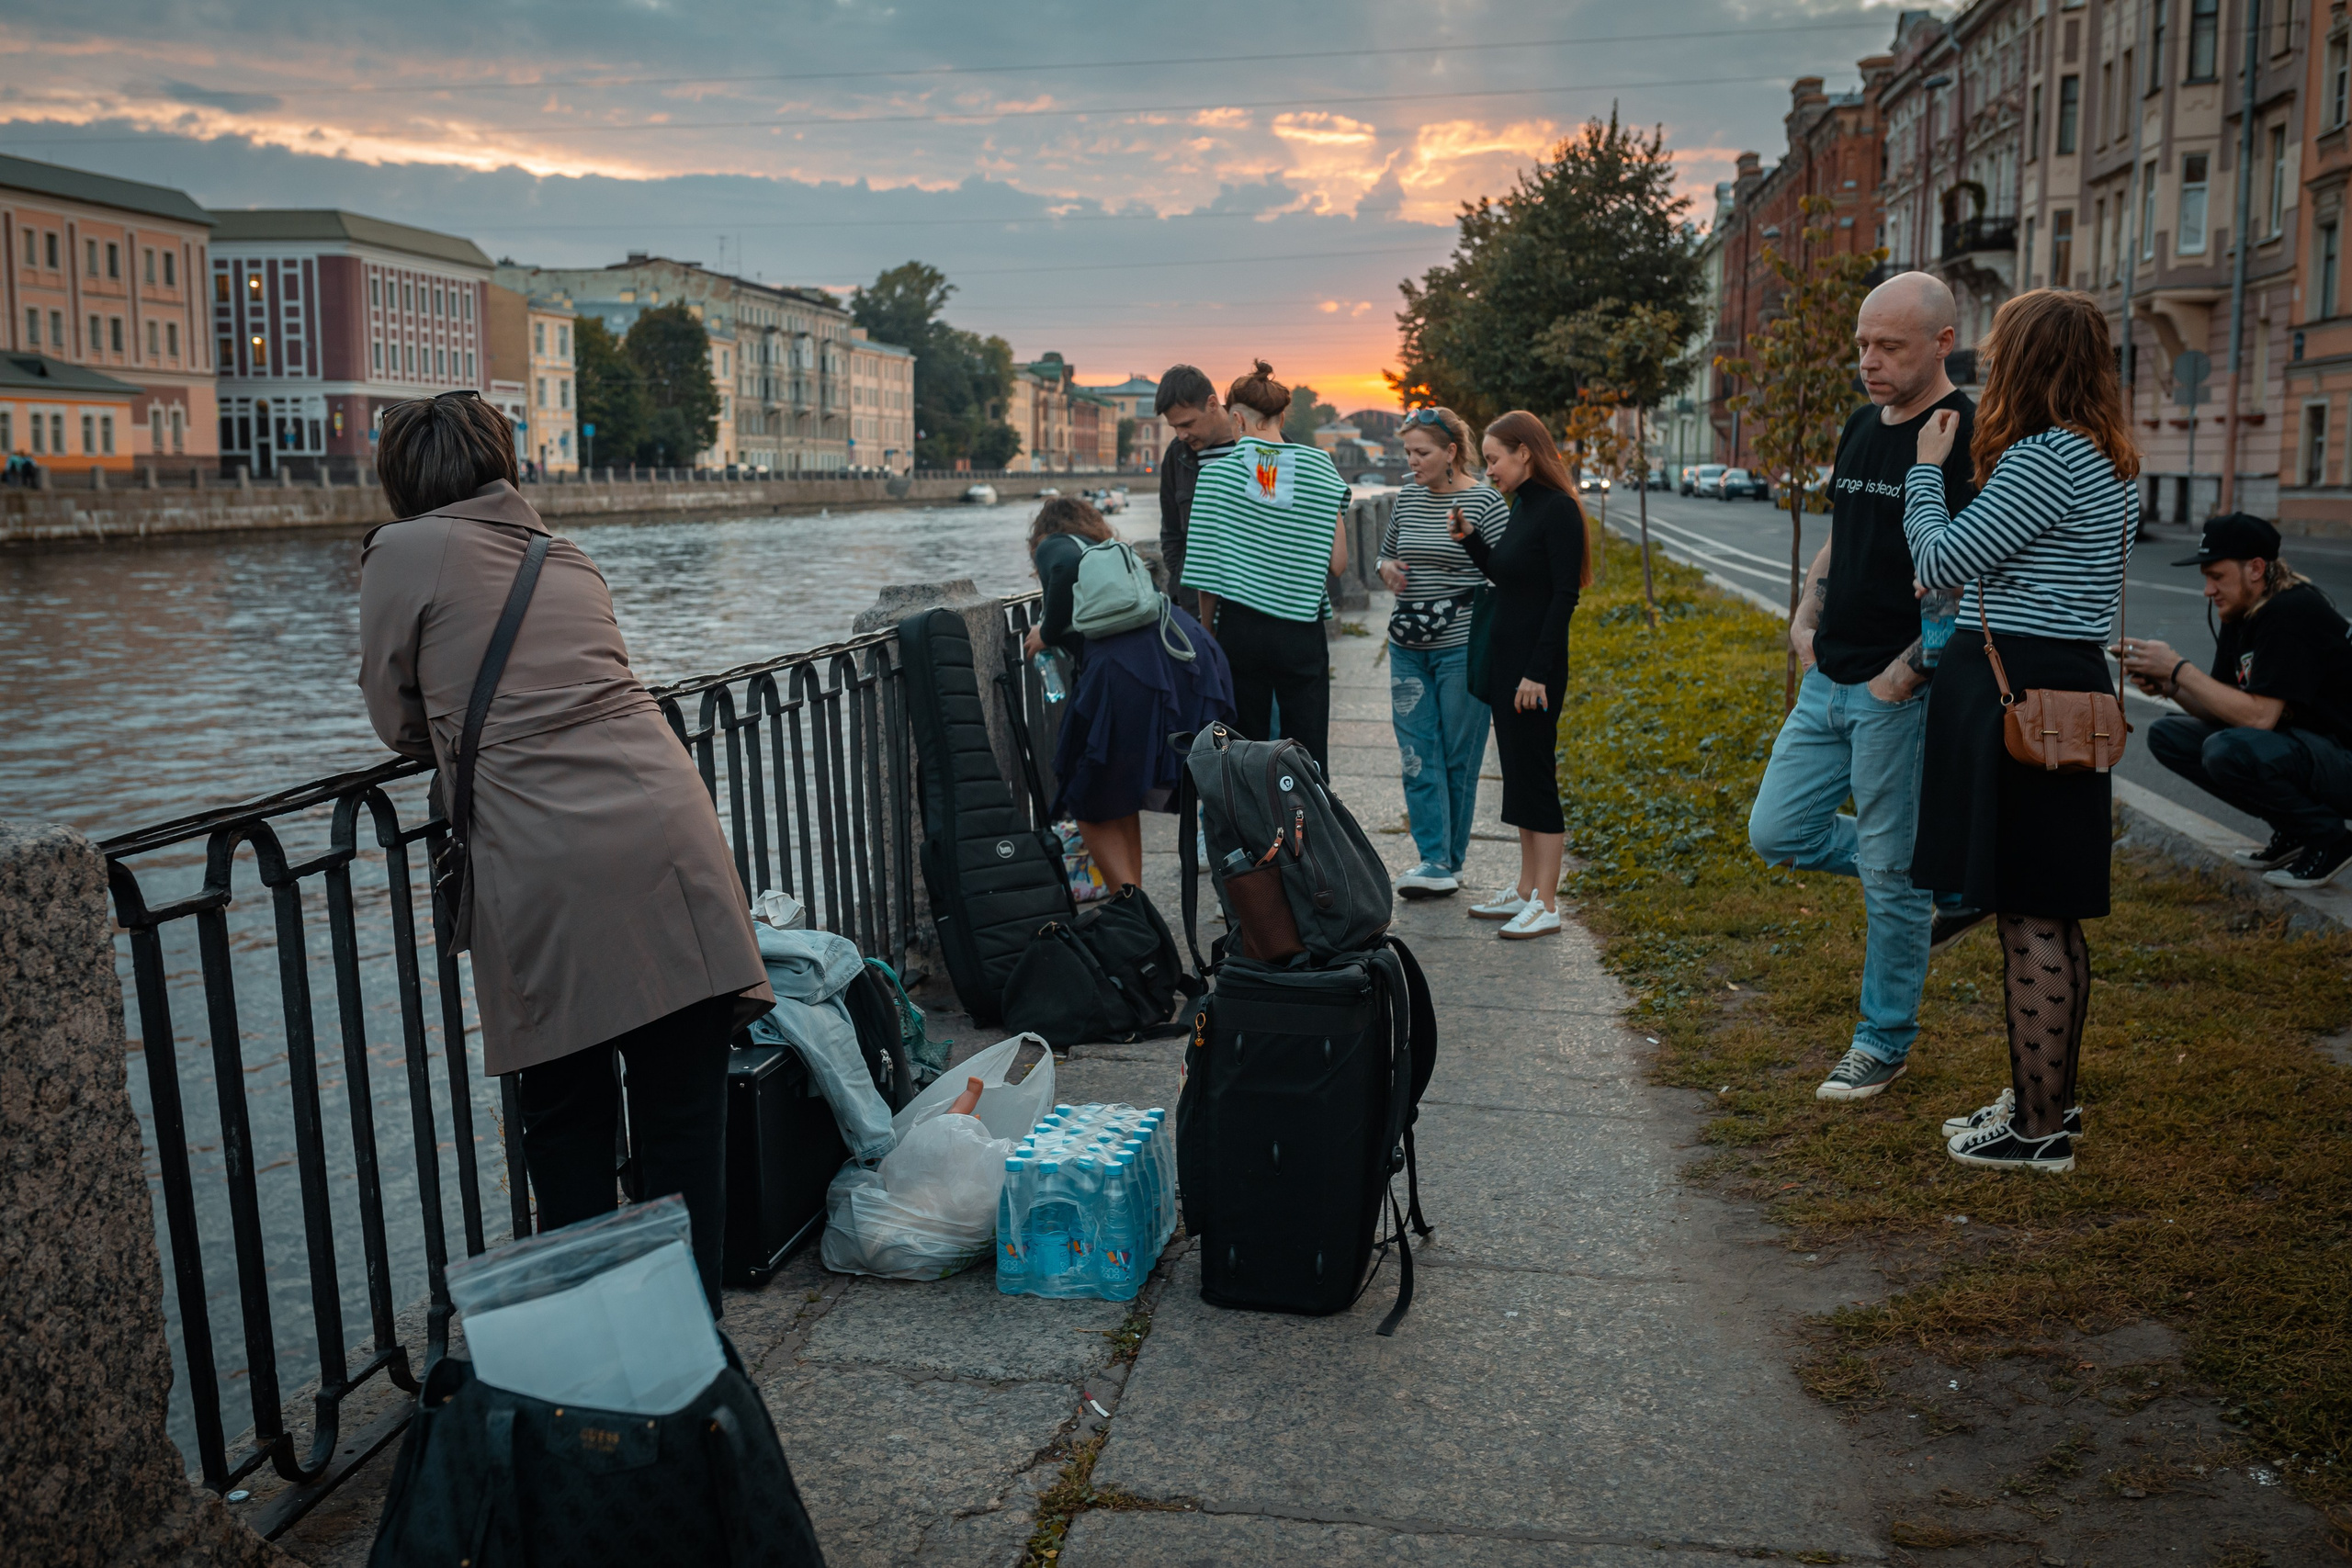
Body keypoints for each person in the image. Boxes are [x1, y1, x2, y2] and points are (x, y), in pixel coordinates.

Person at [356, 390, 771, 1313]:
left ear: (401, 481)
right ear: (504, 463)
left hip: (545, 862)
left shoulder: (402, 551)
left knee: (566, 1125)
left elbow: (396, 719)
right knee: (681, 1136)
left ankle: (602, 1377)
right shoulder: (565, 556)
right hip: (672, 838)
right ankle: (691, 1376)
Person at [1905, 288, 2139, 1175]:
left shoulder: (2046, 457)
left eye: (2002, 350)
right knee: (2052, 906)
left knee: (2028, 915)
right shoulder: (2111, 459)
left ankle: (2036, 1133)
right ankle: (2052, 1104)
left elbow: (1939, 565)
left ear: (2030, 360)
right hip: (2066, 685)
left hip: (2015, 695)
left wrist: (1926, 472)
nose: (1990, 365)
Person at [1748, 270, 1979, 1104]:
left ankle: (1882, 1040)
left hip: (1900, 691)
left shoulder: (1969, 433)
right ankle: (1940, 882)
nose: (1869, 362)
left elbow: (1972, 575)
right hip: (1828, 675)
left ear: (1942, 343)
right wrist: (1806, 617)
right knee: (1778, 832)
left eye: (1889, 346)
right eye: (1861, 345)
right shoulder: (1859, 423)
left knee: (1888, 874)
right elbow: (1846, 536)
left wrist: (1906, 670)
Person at [2116, 513, 2352, 888]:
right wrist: (2171, 687)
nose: (2209, 590)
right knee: (2168, 737)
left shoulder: (2291, 611)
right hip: (2310, 749)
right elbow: (2226, 709)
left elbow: (2259, 719)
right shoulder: (2242, 613)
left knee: (2229, 750)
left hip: (2342, 757)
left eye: (2217, 576)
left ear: (2256, 568)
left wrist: (2179, 667)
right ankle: (2295, 829)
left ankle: (2329, 837)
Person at [1021, 496, 1231, 888]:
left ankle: (1130, 910)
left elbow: (1063, 567)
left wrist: (1046, 633)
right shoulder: (1104, 551)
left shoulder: (1055, 544)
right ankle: (1133, 902)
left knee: (1086, 799)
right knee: (1114, 797)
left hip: (1128, 668)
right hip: (1179, 650)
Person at [1451, 411, 1588, 941]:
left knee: (1536, 779)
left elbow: (1562, 597)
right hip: (1509, 667)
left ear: (1524, 453)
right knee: (1519, 778)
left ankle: (1548, 902)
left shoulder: (1559, 511)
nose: (1488, 471)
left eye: (1493, 459)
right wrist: (1471, 541)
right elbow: (1510, 579)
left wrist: (1537, 673)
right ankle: (1527, 889)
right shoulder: (1523, 506)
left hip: (1535, 672)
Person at [1179, 361, 1351, 773]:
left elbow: (1206, 574)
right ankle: (1307, 832)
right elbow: (1340, 565)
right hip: (1301, 630)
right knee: (1308, 758)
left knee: (1245, 758)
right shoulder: (1319, 468)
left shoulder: (1217, 475)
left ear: (1237, 418)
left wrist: (1208, 632)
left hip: (1241, 631)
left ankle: (1257, 836)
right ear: (1280, 417)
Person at [1376, 406, 1509, 898]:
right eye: (1407, 451)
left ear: (1451, 451)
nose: (1412, 461)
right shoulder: (1408, 498)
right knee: (1416, 753)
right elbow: (1386, 552)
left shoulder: (1486, 503)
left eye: (1422, 452)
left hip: (1464, 647)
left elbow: (1506, 571)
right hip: (1407, 645)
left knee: (1457, 754)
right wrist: (1384, 569)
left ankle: (1449, 862)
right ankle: (1432, 858)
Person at [1154, 365, 1241, 616]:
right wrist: (1185, 582)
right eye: (1175, 428)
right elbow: (1171, 532)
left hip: (1257, 609)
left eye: (1187, 424)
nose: (1182, 435)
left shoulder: (1265, 444)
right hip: (1196, 609)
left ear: (1212, 404)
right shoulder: (1177, 455)